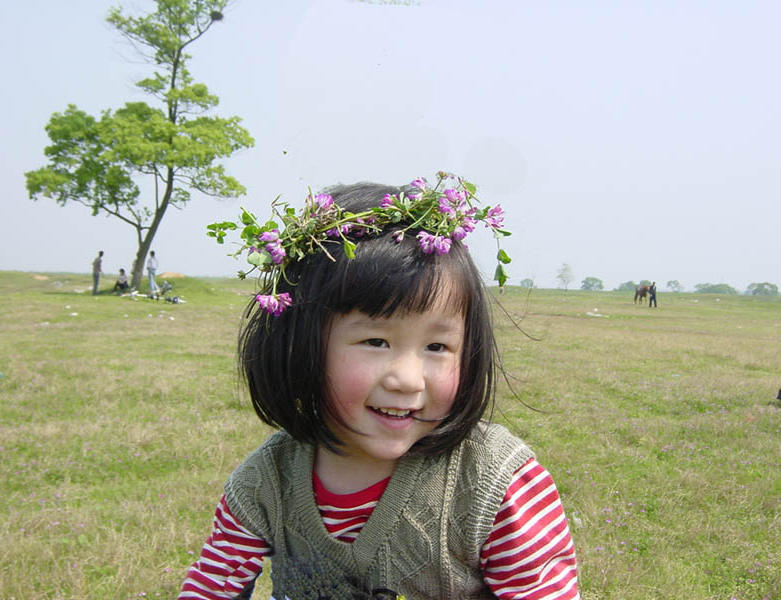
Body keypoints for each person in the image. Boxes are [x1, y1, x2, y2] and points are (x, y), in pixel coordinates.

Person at [178, 178, 579, 599]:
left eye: (437, 346)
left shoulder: (494, 481)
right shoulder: (266, 481)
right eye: (375, 342)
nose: (407, 379)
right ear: (300, 345)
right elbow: (212, 585)